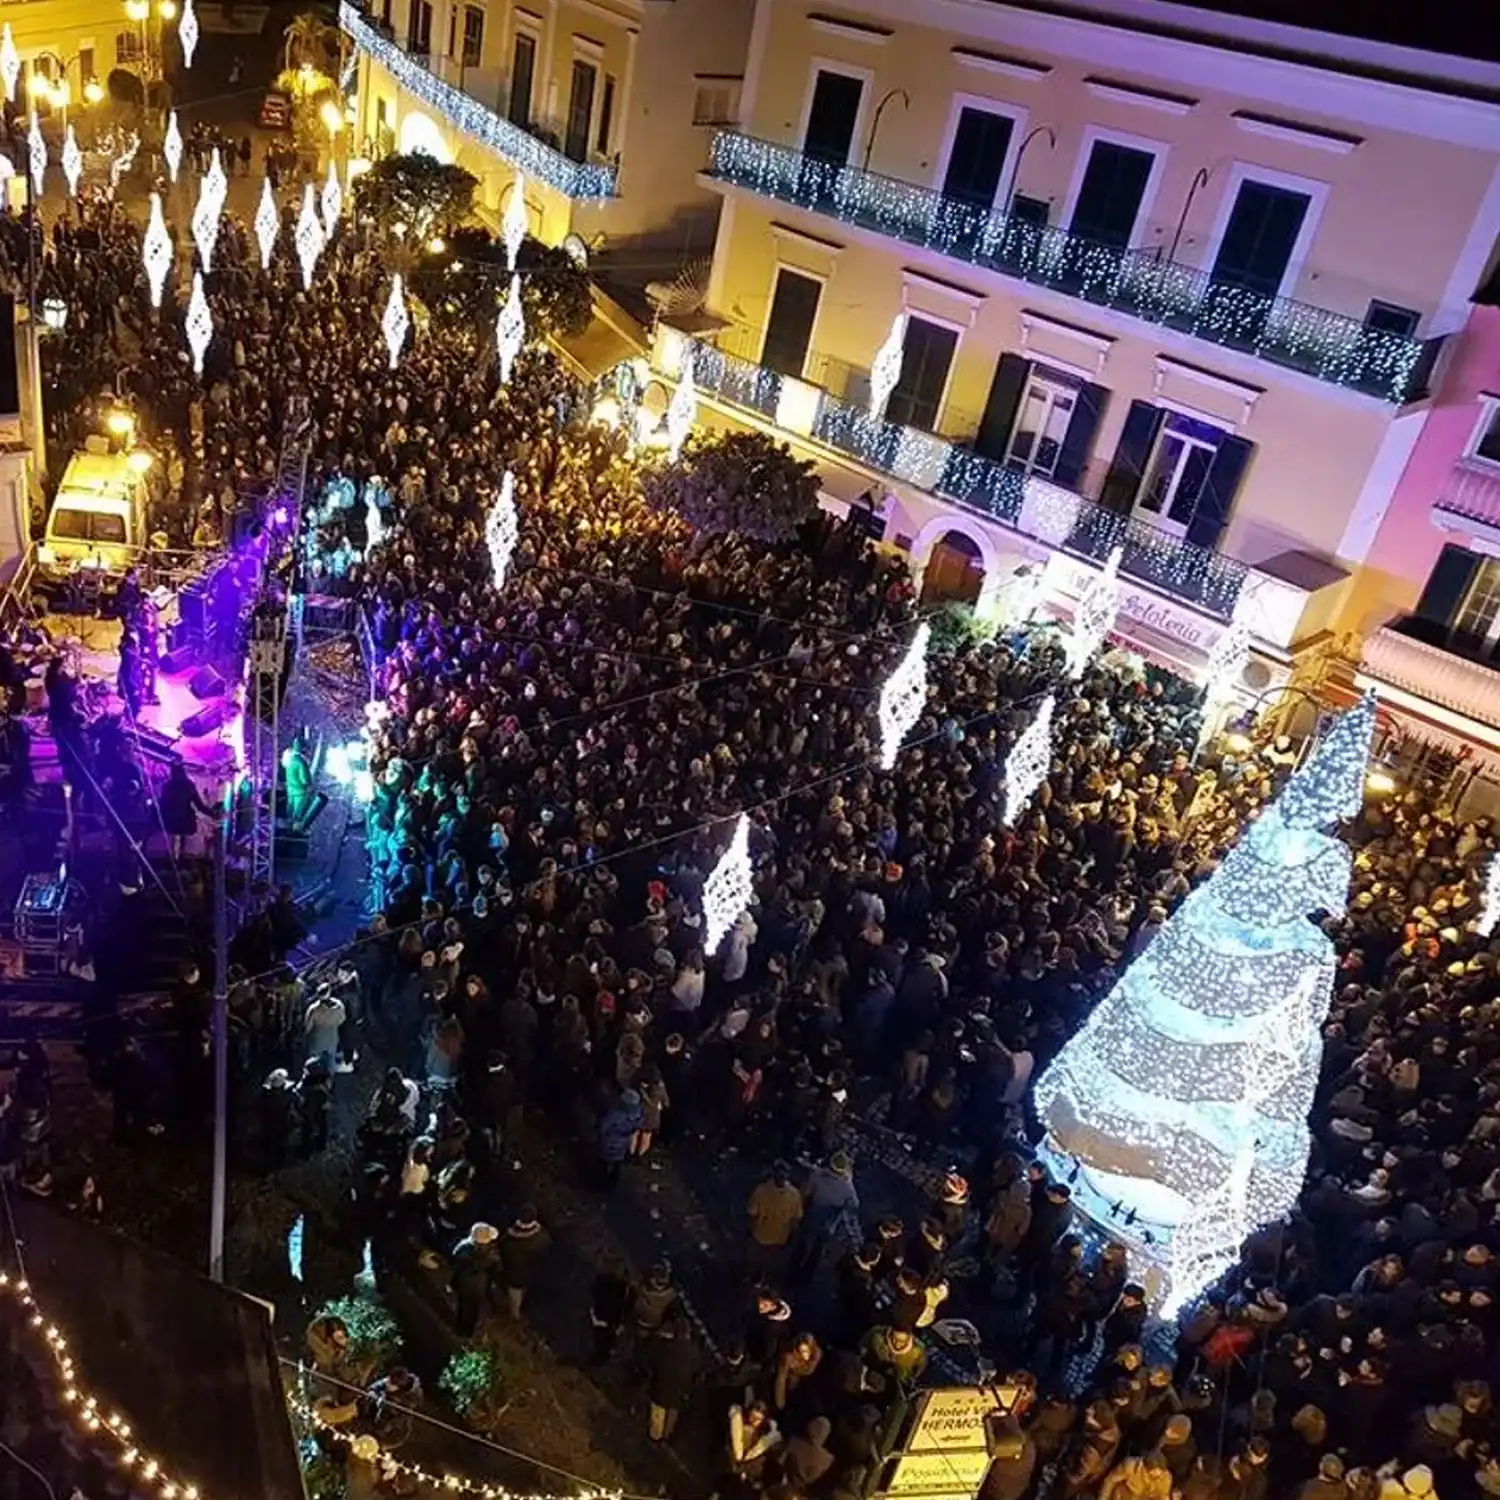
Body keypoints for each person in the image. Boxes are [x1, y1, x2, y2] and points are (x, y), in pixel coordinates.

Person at [646, 1310, 700, 1443]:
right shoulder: (694, 1352)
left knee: (657, 1415)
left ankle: (655, 1438)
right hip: (679, 1393)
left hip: (660, 1388)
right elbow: (697, 1370)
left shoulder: (664, 1346)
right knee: (672, 1414)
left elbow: (652, 1361)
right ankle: (667, 1436)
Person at [450, 1223, 501, 1335]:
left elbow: (454, 1262)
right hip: (478, 1285)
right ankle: (467, 1331)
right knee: (473, 1308)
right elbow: (496, 1268)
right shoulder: (490, 1253)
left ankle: (461, 1329)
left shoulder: (462, 1248)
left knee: (464, 1308)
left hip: (463, 1283)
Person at [160, 759, 215, 861]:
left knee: (174, 839)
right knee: (181, 839)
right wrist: (213, 814)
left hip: (170, 821)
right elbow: (199, 805)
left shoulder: (168, 785)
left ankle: (172, 859)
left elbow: (162, 804)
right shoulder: (188, 785)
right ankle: (180, 858)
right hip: (185, 821)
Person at [500, 1204, 549, 1316]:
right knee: (527, 1293)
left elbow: (502, 1253)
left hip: (514, 1276)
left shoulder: (507, 1240)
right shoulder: (543, 1237)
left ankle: (515, 1317)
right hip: (533, 1274)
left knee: (515, 1299)